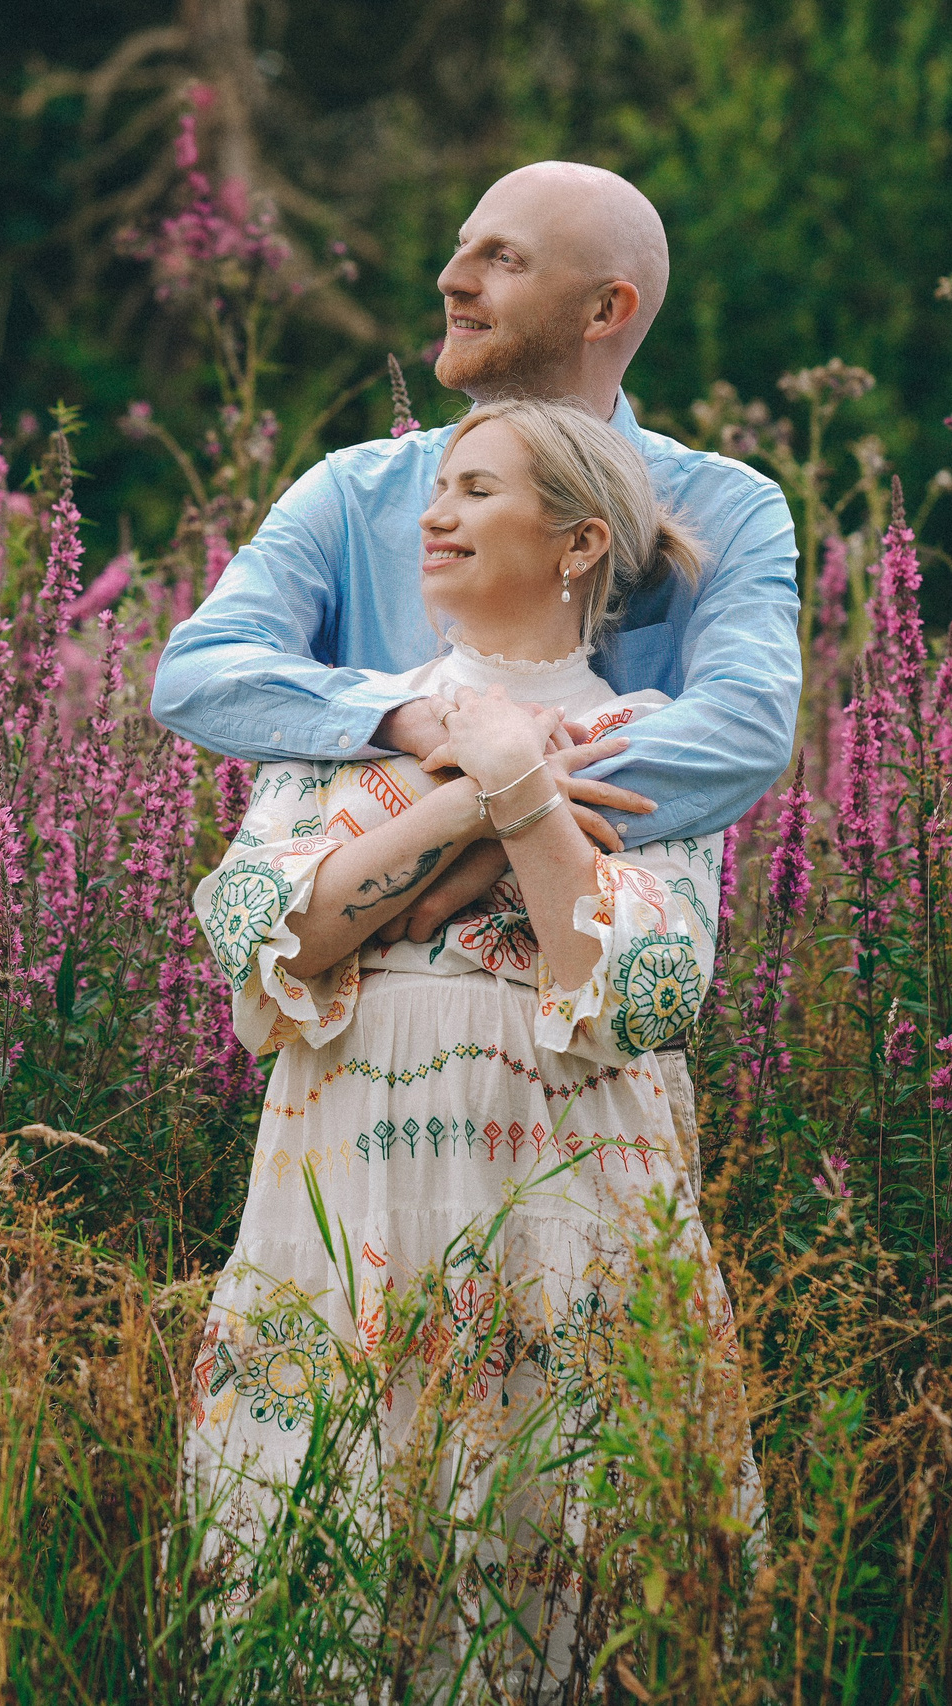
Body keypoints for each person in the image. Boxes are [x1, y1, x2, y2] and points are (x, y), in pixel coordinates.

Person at [186, 398, 756, 1688]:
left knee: (563, 1543)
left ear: (577, 543)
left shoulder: (659, 741)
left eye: (478, 491)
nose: (434, 516)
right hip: (348, 1192)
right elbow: (259, 926)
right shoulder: (356, 720)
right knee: (327, 1547)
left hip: (566, 1195)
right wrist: (474, 787)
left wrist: (526, 795)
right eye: (436, 489)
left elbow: (644, 996)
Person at [152, 159, 800, 1187]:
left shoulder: (727, 508)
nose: (452, 278)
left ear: (606, 307)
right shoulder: (354, 491)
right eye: (460, 246)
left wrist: (509, 802)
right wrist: (414, 724)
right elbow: (199, 672)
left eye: (500, 257)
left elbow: (743, 731)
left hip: (588, 1071)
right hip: (356, 1081)